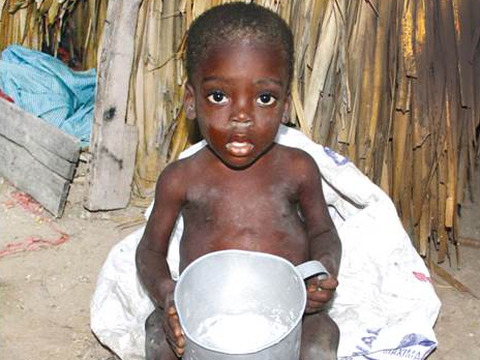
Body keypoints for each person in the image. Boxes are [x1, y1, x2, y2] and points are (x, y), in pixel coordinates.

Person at [135, 2, 342, 359]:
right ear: (191, 100)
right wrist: (167, 293)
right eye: (219, 96)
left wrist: (322, 271)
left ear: (286, 105)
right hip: (203, 322)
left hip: (287, 319)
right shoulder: (181, 178)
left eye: (265, 98)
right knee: (158, 332)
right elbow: (149, 251)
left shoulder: (298, 169)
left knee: (321, 338)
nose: (242, 117)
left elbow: (324, 232)